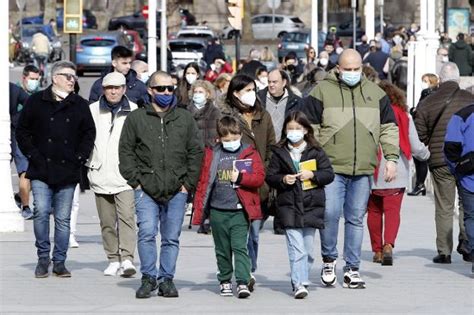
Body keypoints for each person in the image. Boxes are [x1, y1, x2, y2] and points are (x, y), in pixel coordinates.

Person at [303, 49, 399, 289]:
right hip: (331, 167)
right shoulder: (322, 91)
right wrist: (310, 162)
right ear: (338, 68)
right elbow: (309, 129)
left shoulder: (376, 94)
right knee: (330, 214)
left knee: (356, 218)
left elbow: (389, 127)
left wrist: (391, 158)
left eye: (357, 69)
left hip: (364, 167)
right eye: (348, 70)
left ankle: (352, 268)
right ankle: (329, 260)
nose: (353, 73)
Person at [119, 71, 203, 299]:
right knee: (146, 233)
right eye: (161, 89)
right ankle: (148, 277)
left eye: (170, 88)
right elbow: (126, 151)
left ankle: (167, 279)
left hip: (177, 188)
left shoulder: (184, 118)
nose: (166, 93)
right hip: (145, 187)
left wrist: (187, 185)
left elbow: (196, 152)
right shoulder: (136, 118)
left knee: (171, 237)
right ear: (150, 90)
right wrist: (135, 182)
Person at [16, 61, 96, 278]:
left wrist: (79, 157)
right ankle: (43, 257)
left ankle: (59, 261)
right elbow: (22, 131)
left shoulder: (79, 104)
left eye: (74, 77)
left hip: (67, 170)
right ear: (54, 78)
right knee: (41, 211)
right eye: (67, 76)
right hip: (41, 168)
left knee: (63, 218)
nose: (72, 80)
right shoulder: (36, 101)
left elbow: (89, 133)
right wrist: (33, 154)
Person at [192, 115, 265, 298]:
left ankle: (242, 281)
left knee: (240, 247)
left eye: (234, 139)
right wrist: (201, 207)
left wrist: (241, 178)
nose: (231, 142)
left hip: (239, 210)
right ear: (219, 138)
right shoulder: (213, 153)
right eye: (227, 140)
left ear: (241, 135)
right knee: (222, 249)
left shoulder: (249, 152)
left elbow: (259, 177)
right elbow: (204, 181)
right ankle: (225, 279)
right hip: (218, 210)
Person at [266, 111, 334, 299]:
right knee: (297, 249)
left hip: (312, 205)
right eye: (290, 129)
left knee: (308, 250)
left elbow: (328, 174)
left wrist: (313, 175)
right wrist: (283, 179)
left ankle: (302, 277)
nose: (294, 132)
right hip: (288, 205)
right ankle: (298, 284)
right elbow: (270, 176)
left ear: (305, 130)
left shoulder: (316, 151)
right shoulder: (279, 152)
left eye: (297, 128)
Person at [414, 62, 474, 263]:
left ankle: (444, 251)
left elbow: (420, 133)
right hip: (467, 161)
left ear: (439, 79)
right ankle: (468, 245)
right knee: (467, 204)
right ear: (458, 79)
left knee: (444, 205)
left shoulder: (428, 101)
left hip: (440, 160)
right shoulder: (469, 99)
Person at [221, 74, 276, 286]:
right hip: (234, 183)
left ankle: (249, 268)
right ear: (235, 93)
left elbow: (272, 146)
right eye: (247, 90)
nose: (252, 94)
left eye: (253, 89)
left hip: (258, 184)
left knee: (254, 233)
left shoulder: (263, 115)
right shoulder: (226, 116)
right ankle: (243, 271)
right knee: (238, 233)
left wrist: (266, 173)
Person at [368, 81, 430, 266]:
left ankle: (377, 250)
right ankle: (388, 245)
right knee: (393, 210)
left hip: (373, 168)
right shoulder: (404, 115)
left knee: (373, 211)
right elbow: (414, 144)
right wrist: (426, 154)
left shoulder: (369, 114)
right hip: (397, 169)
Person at [86, 72, 138, 277]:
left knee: (126, 217)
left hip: (125, 175)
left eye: (117, 87)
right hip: (99, 173)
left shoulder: (134, 111)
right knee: (106, 221)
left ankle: (127, 258)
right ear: (103, 89)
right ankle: (112, 258)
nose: (113, 91)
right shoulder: (92, 110)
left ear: (124, 89)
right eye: (109, 88)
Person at [258, 69, 301, 233]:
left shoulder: (295, 101)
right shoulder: (259, 98)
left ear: (284, 82)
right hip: (264, 146)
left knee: (283, 184)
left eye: (275, 82)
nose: (271, 85)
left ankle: (281, 220)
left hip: (285, 146)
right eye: (269, 81)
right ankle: (259, 216)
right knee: (263, 182)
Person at [444, 103, 474, 273]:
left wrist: (456, 167)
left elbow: (450, 146)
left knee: (470, 216)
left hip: (469, 175)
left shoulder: (462, 115)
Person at [408, 73, 439, 196]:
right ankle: (420, 185)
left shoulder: (427, 93)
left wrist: (414, 111)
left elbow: (421, 111)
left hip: (423, 131)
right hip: (428, 130)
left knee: (420, 159)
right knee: (421, 159)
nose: (423, 83)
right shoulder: (435, 94)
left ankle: (420, 185)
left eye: (425, 80)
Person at [9, 83, 31, 218]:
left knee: (25, 171)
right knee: (25, 171)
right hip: (14, 132)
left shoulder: (13, 89)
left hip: (14, 133)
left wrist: (15, 119)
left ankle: (25, 205)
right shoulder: (14, 89)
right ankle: (25, 206)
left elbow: (29, 104)